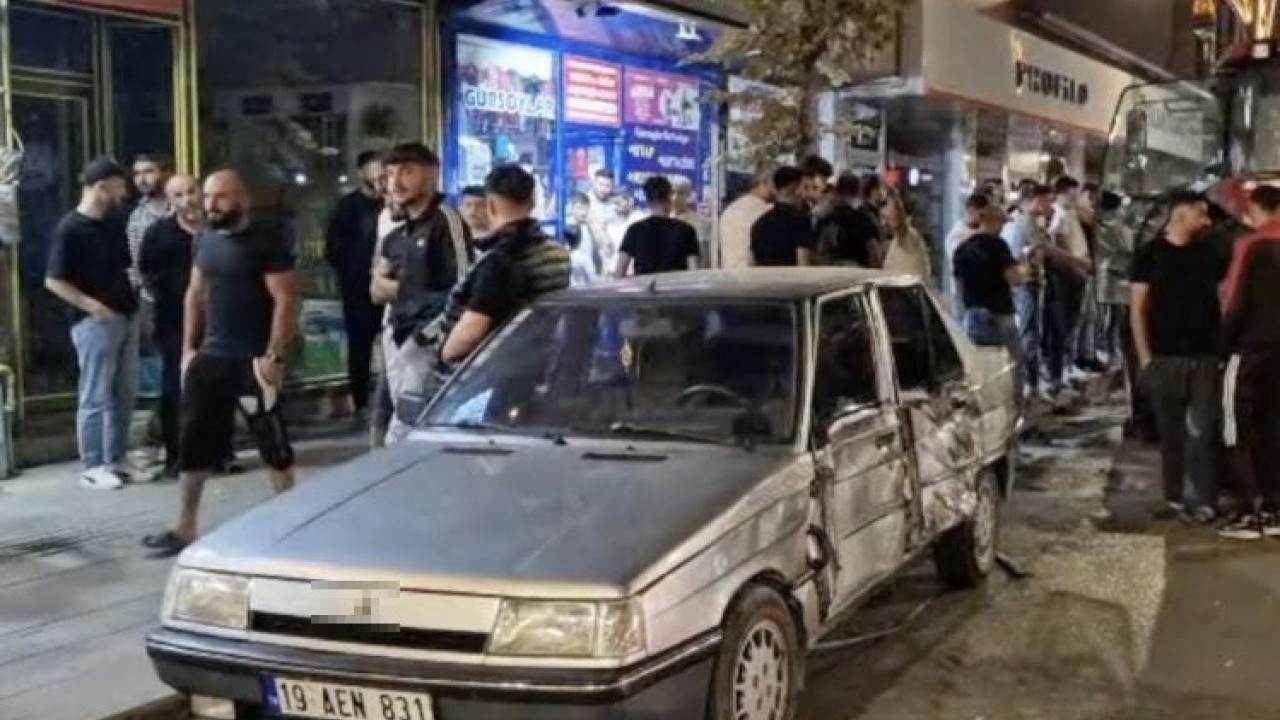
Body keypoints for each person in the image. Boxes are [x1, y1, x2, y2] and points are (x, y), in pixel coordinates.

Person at [140, 169, 298, 557]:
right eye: (207, 197)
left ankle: (294, 523)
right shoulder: (204, 240)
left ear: (242, 198)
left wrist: (274, 357)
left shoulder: (266, 241)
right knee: (194, 444)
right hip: (211, 358)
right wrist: (188, 353)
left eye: (220, 197)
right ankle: (185, 525)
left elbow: (287, 300)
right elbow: (195, 294)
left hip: (253, 358)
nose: (210, 204)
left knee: (272, 445)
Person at [1130, 190, 1227, 525]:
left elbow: (1221, 298)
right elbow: (1137, 308)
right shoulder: (1149, 256)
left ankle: (1205, 499)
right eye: (1201, 214)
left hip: (1204, 356)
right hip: (1164, 356)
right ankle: (1172, 497)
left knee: (1204, 431)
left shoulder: (1211, 254)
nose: (1207, 221)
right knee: (1171, 433)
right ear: (1182, 215)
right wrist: (1144, 357)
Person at [45, 158, 139, 490]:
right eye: (119, 185)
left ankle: (116, 460)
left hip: (125, 315)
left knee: (124, 393)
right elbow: (54, 280)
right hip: (93, 323)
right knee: (95, 395)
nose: (125, 191)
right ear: (101, 187)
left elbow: (125, 267)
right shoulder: (69, 228)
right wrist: (92, 306)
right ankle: (92, 465)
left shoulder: (114, 223)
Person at [432, 164, 571, 379]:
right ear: (532, 202)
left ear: (490, 204)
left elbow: (471, 332)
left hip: (493, 377)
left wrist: (444, 355)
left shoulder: (502, 259)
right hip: (538, 363)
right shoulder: (557, 252)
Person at [374, 143, 471, 442]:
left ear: (432, 176)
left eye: (407, 171)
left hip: (426, 341)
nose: (396, 181)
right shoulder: (398, 234)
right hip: (397, 336)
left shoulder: (446, 220)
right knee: (402, 420)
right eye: (391, 174)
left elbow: (464, 288)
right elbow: (375, 291)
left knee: (404, 430)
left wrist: (427, 336)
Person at [1217, 185, 1280, 538]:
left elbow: (1233, 299)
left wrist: (1222, 349)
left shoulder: (1252, 245)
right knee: (1274, 428)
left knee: (1235, 429)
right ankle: (1274, 510)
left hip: (1250, 349)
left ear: (1257, 207)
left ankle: (1245, 512)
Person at [137, 174, 202, 479]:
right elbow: (147, 275)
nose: (187, 200)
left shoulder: (216, 229)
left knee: (217, 388)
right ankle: (176, 456)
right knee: (175, 389)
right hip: (174, 322)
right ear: (170, 200)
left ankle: (219, 452)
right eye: (179, 195)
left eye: (191, 192)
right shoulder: (158, 234)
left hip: (217, 321)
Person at [325, 151, 384, 424]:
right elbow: (334, 248)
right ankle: (361, 402)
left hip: (390, 288)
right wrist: (354, 275)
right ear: (363, 173)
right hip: (359, 290)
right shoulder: (348, 207)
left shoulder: (391, 204)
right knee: (359, 346)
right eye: (375, 171)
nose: (380, 177)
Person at [126, 154, 172, 472]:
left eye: (149, 171)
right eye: (137, 173)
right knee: (162, 372)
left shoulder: (181, 206)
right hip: (153, 302)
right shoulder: (136, 218)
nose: (143, 179)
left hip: (189, 298)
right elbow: (134, 265)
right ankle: (160, 439)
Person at [954, 204, 1026, 395]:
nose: (1002, 228)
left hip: (972, 316)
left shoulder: (962, 248)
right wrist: (1024, 270)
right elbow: (1014, 278)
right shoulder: (998, 246)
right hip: (999, 315)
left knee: (981, 372)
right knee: (1012, 368)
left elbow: (959, 287)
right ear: (992, 222)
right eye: (1001, 223)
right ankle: (1013, 412)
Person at [1002, 182, 1054, 400]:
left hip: (1023, 283)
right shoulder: (1026, 222)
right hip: (1026, 283)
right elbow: (1042, 250)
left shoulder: (1018, 220)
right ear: (1036, 199)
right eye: (1047, 200)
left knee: (1029, 332)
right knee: (1030, 333)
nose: (1050, 205)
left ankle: (1029, 383)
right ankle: (1030, 384)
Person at [1044, 176, 1094, 390]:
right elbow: (1059, 244)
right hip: (1069, 275)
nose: (1075, 198)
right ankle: (1061, 368)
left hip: (1078, 272)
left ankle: (1068, 365)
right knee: (1064, 324)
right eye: (1073, 193)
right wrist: (1076, 266)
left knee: (1074, 321)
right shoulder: (1059, 215)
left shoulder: (1070, 213)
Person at [615, 175, 701, 277]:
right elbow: (694, 274)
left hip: (646, 290)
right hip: (676, 290)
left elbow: (619, 272)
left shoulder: (634, 230)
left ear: (647, 199)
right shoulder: (686, 230)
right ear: (669, 196)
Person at [750, 166, 816, 267]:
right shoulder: (800, 221)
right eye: (805, 187)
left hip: (764, 281)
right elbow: (803, 264)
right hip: (792, 281)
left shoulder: (759, 223)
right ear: (794, 187)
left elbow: (752, 262)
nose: (807, 194)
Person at [816, 173, 881, 267]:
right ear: (858, 190)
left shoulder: (824, 215)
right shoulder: (863, 216)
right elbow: (873, 248)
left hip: (830, 269)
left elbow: (819, 247)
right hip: (858, 270)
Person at [945, 193, 993, 313]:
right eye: (981, 215)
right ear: (971, 211)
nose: (984, 219)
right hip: (965, 295)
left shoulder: (983, 233)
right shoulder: (956, 236)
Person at [719, 169, 773, 269]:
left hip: (730, 275)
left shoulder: (729, 210)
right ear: (764, 183)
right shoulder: (766, 211)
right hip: (756, 276)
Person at [881, 192, 932, 283]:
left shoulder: (910, 237)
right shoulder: (895, 241)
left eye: (887, 217)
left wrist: (894, 201)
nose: (883, 223)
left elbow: (901, 226)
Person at [565, 192, 603, 286]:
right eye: (580, 208)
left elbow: (599, 248)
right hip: (573, 281)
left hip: (591, 280)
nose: (583, 212)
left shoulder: (588, 226)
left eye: (586, 208)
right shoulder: (568, 227)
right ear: (572, 208)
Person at [671, 176, 711, 265]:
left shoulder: (701, 222)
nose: (675, 198)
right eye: (672, 193)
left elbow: (704, 258)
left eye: (680, 193)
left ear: (688, 195)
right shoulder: (664, 220)